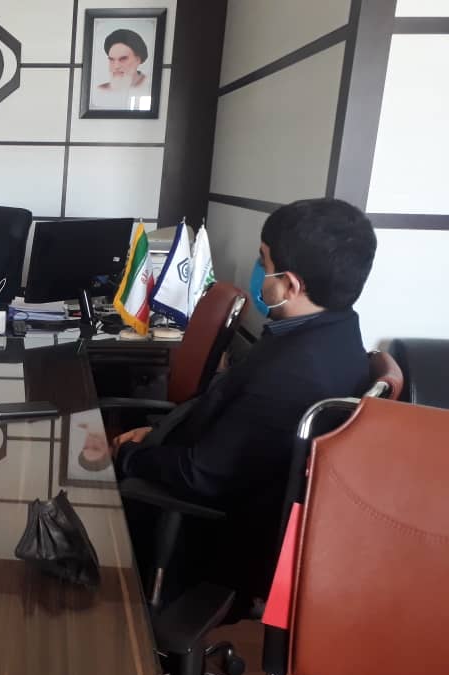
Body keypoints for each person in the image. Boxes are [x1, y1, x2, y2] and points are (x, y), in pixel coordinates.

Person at [112, 198, 377, 600]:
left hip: (206, 535)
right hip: (214, 471)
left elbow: (201, 476)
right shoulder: (333, 332)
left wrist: (129, 456)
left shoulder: (294, 373)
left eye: (263, 262)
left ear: (290, 286)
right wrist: (157, 434)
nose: (258, 272)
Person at [92, 28, 151, 110]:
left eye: (123, 59)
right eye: (112, 60)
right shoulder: (100, 90)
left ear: (138, 60)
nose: (116, 66)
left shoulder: (149, 86)